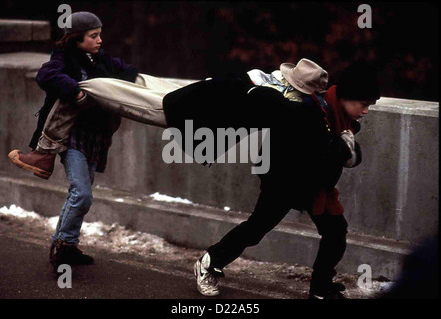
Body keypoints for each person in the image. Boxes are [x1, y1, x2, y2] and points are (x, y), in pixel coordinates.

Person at [160, 59, 380, 299]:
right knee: (256, 229)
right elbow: (333, 152)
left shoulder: (337, 115)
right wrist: (346, 149)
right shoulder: (312, 112)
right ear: (347, 96)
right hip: (283, 181)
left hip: (312, 183)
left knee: (335, 231)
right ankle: (208, 263)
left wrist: (346, 149)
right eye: (364, 103)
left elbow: (343, 154)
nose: (366, 110)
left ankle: (321, 289)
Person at [9, 11, 140, 272]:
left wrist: (123, 86)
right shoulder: (64, 59)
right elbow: (46, 76)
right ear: (76, 39)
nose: (100, 40)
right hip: (70, 138)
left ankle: (67, 244)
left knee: (82, 196)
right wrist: (76, 90)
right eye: (93, 36)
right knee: (81, 193)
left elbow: (129, 72)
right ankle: (61, 247)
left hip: (96, 139)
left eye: (100, 35)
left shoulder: (101, 60)